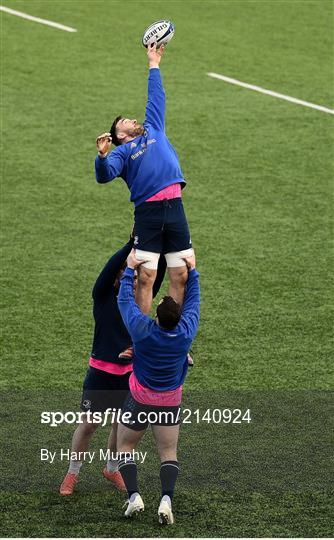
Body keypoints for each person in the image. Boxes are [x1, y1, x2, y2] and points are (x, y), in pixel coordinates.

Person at [95, 43, 194, 360]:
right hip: (149, 215)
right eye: (125, 121)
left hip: (175, 208)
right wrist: (102, 156)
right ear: (119, 135)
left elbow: (156, 96)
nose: (132, 119)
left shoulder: (154, 126)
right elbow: (105, 175)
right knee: (147, 277)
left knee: (180, 274)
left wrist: (154, 63)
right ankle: (139, 343)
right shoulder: (122, 154)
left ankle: (175, 337)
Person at [59, 238, 166, 496]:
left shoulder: (138, 304)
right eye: (122, 274)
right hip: (100, 374)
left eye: (130, 275)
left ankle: (111, 469)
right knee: (89, 425)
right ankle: (72, 473)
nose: (124, 278)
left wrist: (157, 244)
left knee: (121, 427)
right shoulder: (103, 297)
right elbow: (109, 269)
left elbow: (156, 274)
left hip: (129, 375)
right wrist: (132, 243)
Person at [116, 249, 200, 525]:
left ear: (158, 317)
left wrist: (129, 269)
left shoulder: (142, 330)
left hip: (139, 399)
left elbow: (125, 301)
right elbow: (193, 302)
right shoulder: (186, 331)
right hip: (170, 403)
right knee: (168, 453)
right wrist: (193, 272)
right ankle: (166, 499)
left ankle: (134, 496)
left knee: (125, 447)